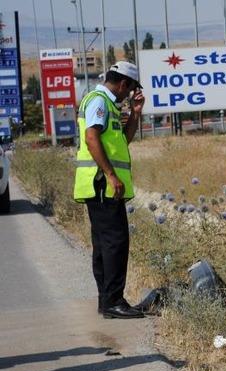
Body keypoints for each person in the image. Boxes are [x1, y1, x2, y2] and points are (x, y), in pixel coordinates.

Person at [73, 61, 146, 318]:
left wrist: (135, 114)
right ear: (124, 83)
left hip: (102, 184)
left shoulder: (109, 106)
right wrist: (111, 175)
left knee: (105, 245)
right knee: (115, 243)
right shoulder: (99, 101)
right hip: (102, 184)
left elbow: (123, 140)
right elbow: (91, 138)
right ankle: (113, 301)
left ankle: (107, 301)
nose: (130, 95)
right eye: (131, 89)